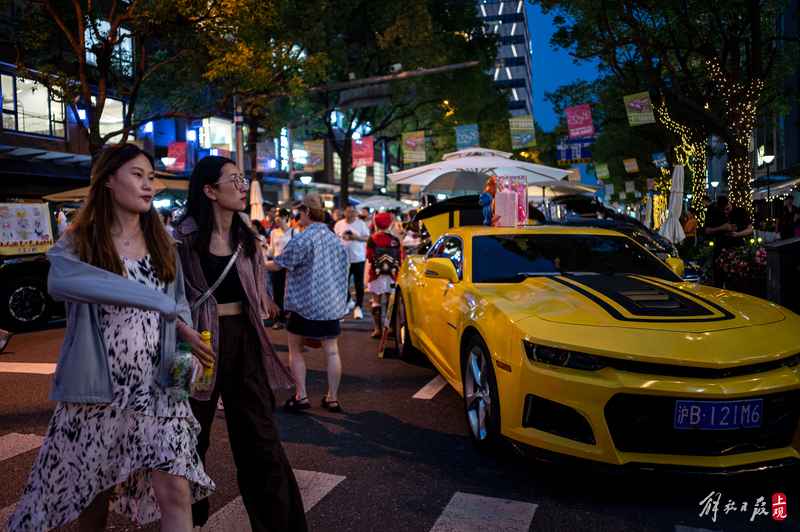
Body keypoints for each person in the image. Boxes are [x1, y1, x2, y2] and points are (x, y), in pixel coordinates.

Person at [9, 144, 215, 532]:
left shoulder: (164, 242)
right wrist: (154, 300)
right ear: (108, 181)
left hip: (159, 390)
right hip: (97, 392)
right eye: (137, 175)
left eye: (151, 177)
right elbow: (61, 281)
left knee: (176, 491)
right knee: (91, 500)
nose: (148, 184)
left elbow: (178, 308)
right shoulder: (81, 241)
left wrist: (184, 342)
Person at [173, 156, 307, 532]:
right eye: (234, 179)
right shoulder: (180, 238)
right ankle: (190, 520)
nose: (243, 185)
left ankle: (279, 525)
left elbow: (257, 287)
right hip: (195, 345)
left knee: (260, 441)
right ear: (209, 190)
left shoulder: (247, 237)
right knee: (188, 439)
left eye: (243, 178)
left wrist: (266, 299)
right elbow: (167, 296)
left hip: (244, 341)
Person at [266, 193, 349, 413]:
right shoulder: (336, 240)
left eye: (298, 212)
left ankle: (301, 396)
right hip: (331, 305)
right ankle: (332, 398)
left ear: (308, 212)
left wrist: (256, 261)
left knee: (295, 349)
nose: (296, 216)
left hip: (304, 304)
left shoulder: (302, 239)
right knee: (332, 351)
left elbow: (279, 264)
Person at [366, 212, 404, 338]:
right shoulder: (395, 240)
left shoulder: (372, 239)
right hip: (391, 275)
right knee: (390, 300)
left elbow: (369, 257)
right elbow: (400, 257)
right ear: (390, 223)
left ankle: (377, 329)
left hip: (376, 274)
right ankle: (391, 328)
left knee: (376, 300)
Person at [334, 205, 370, 319]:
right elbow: (335, 238)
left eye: (353, 212)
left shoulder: (361, 224)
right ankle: (348, 301)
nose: (350, 214)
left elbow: (367, 238)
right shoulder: (339, 224)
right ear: (344, 212)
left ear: (356, 213)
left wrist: (355, 238)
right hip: (342, 258)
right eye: (348, 211)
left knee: (358, 284)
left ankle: (358, 307)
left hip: (358, 258)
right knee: (342, 283)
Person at [267, 208, 297, 329]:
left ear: (286, 218)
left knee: (290, 292)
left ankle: (290, 317)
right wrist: (263, 246)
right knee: (277, 292)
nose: (276, 218)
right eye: (276, 216)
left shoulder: (294, 233)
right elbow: (271, 250)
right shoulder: (274, 232)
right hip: (276, 265)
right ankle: (279, 319)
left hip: (290, 267)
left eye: (279, 216)